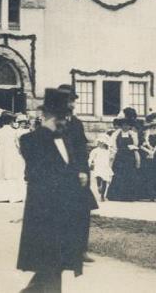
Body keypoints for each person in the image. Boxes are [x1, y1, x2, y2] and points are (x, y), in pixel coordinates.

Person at [17, 88, 93, 292]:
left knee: (54, 266)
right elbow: (38, 172)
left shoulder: (65, 139)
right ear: (48, 116)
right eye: (61, 117)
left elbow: (69, 166)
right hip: (44, 214)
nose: (65, 121)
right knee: (50, 265)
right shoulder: (31, 140)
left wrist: (78, 175)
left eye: (66, 117)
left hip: (64, 213)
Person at [55, 84, 97, 262]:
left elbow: (81, 149)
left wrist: (82, 171)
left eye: (72, 101)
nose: (71, 104)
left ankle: (80, 250)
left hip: (78, 174)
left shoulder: (77, 123)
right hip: (57, 175)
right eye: (68, 100)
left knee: (81, 210)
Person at [107, 111, 144, 201]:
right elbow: (112, 146)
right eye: (124, 125)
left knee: (130, 176)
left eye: (127, 125)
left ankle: (129, 196)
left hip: (129, 157)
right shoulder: (116, 134)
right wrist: (112, 156)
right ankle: (117, 195)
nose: (125, 127)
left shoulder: (133, 134)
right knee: (119, 176)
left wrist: (133, 148)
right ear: (121, 125)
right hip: (119, 157)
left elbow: (136, 145)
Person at [0, 112, 26, 203]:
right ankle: (14, 196)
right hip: (12, 154)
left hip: (1, 154)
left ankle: (0, 197)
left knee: (1, 174)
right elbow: (18, 145)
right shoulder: (15, 132)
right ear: (11, 121)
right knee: (12, 174)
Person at [88, 137, 113, 201]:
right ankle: (99, 186)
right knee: (98, 176)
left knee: (105, 180)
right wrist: (90, 163)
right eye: (99, 142)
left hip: (105, 166)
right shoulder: (95, 150)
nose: (99, 144)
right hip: (98, 166)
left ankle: (102, 196)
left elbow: (111, 157)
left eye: (101, 143)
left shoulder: (108, 151)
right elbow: (91, 157)